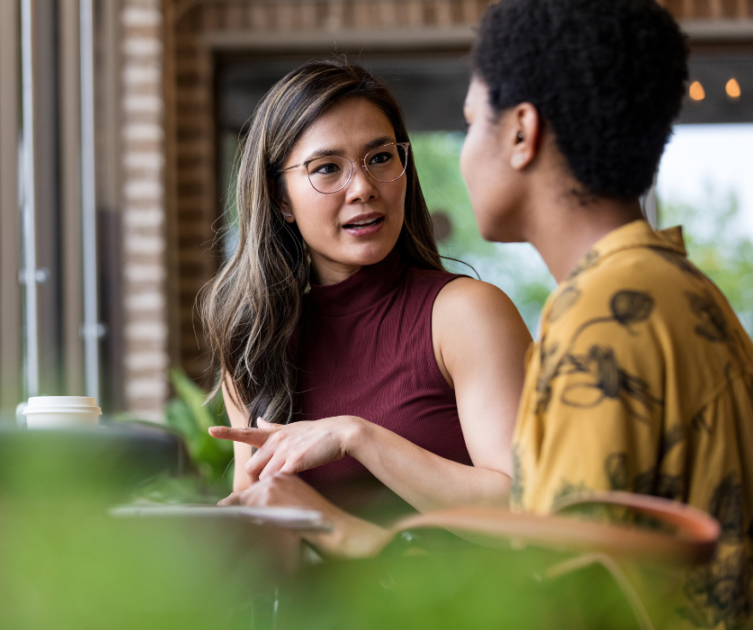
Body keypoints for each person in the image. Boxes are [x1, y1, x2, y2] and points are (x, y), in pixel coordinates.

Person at [462, 0, 753, 627]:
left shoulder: (603, 321)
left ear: (520, 132)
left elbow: (562, 597)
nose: (462, 156)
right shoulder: (674, 287)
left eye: (468, 124)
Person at [201, 59, 532, 557]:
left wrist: (358, 436)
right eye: (327, 168)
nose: (362, 188)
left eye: (379, 158)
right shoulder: (254, 344)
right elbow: (268, 531)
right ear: (280, 198)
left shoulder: (465, 314)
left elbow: (525, 514)